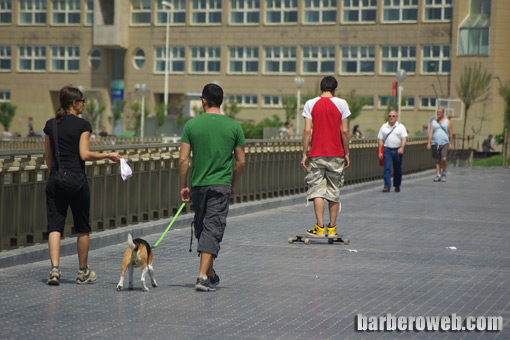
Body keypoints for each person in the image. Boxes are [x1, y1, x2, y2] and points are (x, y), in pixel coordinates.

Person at [43, 86, 122, 286]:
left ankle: (54, 269)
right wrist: (107, 155)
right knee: (82, 228)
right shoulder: (82, 125)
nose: (84, 104)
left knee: (55, 227)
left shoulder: (50, 125)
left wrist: (56, 174)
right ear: (73, 103)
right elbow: (85, 154)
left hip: (55, 180)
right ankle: (82, 272)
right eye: (82, 100)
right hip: (77, 181)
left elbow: (48, 157)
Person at [179, 83, 246, 292]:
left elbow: (183, 160)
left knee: (203, 226)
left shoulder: (191, 125)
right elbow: (241, 161)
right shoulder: (234, 126)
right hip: (221, 186)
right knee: (212, 227)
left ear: (203, 101)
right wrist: (233, 184)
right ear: (222, 101)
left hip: (198, 185)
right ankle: (202, 277)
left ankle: (210, 273)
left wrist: (184, 186)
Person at [300, 76, 351, 237]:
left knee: (317, 190)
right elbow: (345, 131)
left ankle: (320, 227)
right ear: (335, 89)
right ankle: (332, 228)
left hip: (316, 153)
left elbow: (307, 130)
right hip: (336, 153)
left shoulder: (310, 103)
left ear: (320, 88)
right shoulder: (341, 104)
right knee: (334, 190)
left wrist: (304, 153)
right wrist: (347, 152)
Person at [378, 110, 407, 192]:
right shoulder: (384, 126)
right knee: (387, 168)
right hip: (387, 150)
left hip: (397, 150)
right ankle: (387, 186)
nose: (391, 117)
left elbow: (404, 138)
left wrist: (402, 147)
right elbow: (380, 139)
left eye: (393, 116)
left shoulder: (400, 127)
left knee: (397, 169)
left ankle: (397, 185)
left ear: (396, 117)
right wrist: (380, 151)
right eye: (390, 116)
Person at [426, 108, 453, 182]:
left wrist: (451, 143)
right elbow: (430, 132)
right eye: (437, 112)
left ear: (443, 113)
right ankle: (438, 174)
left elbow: (451, 133)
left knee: (443, 159)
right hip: (435, 143)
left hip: (444, 142)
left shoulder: (447, 122)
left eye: (440, 112)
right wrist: (429, 142)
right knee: (437, 160)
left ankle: (443, 173)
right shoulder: (433, 122)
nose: (438, 114)